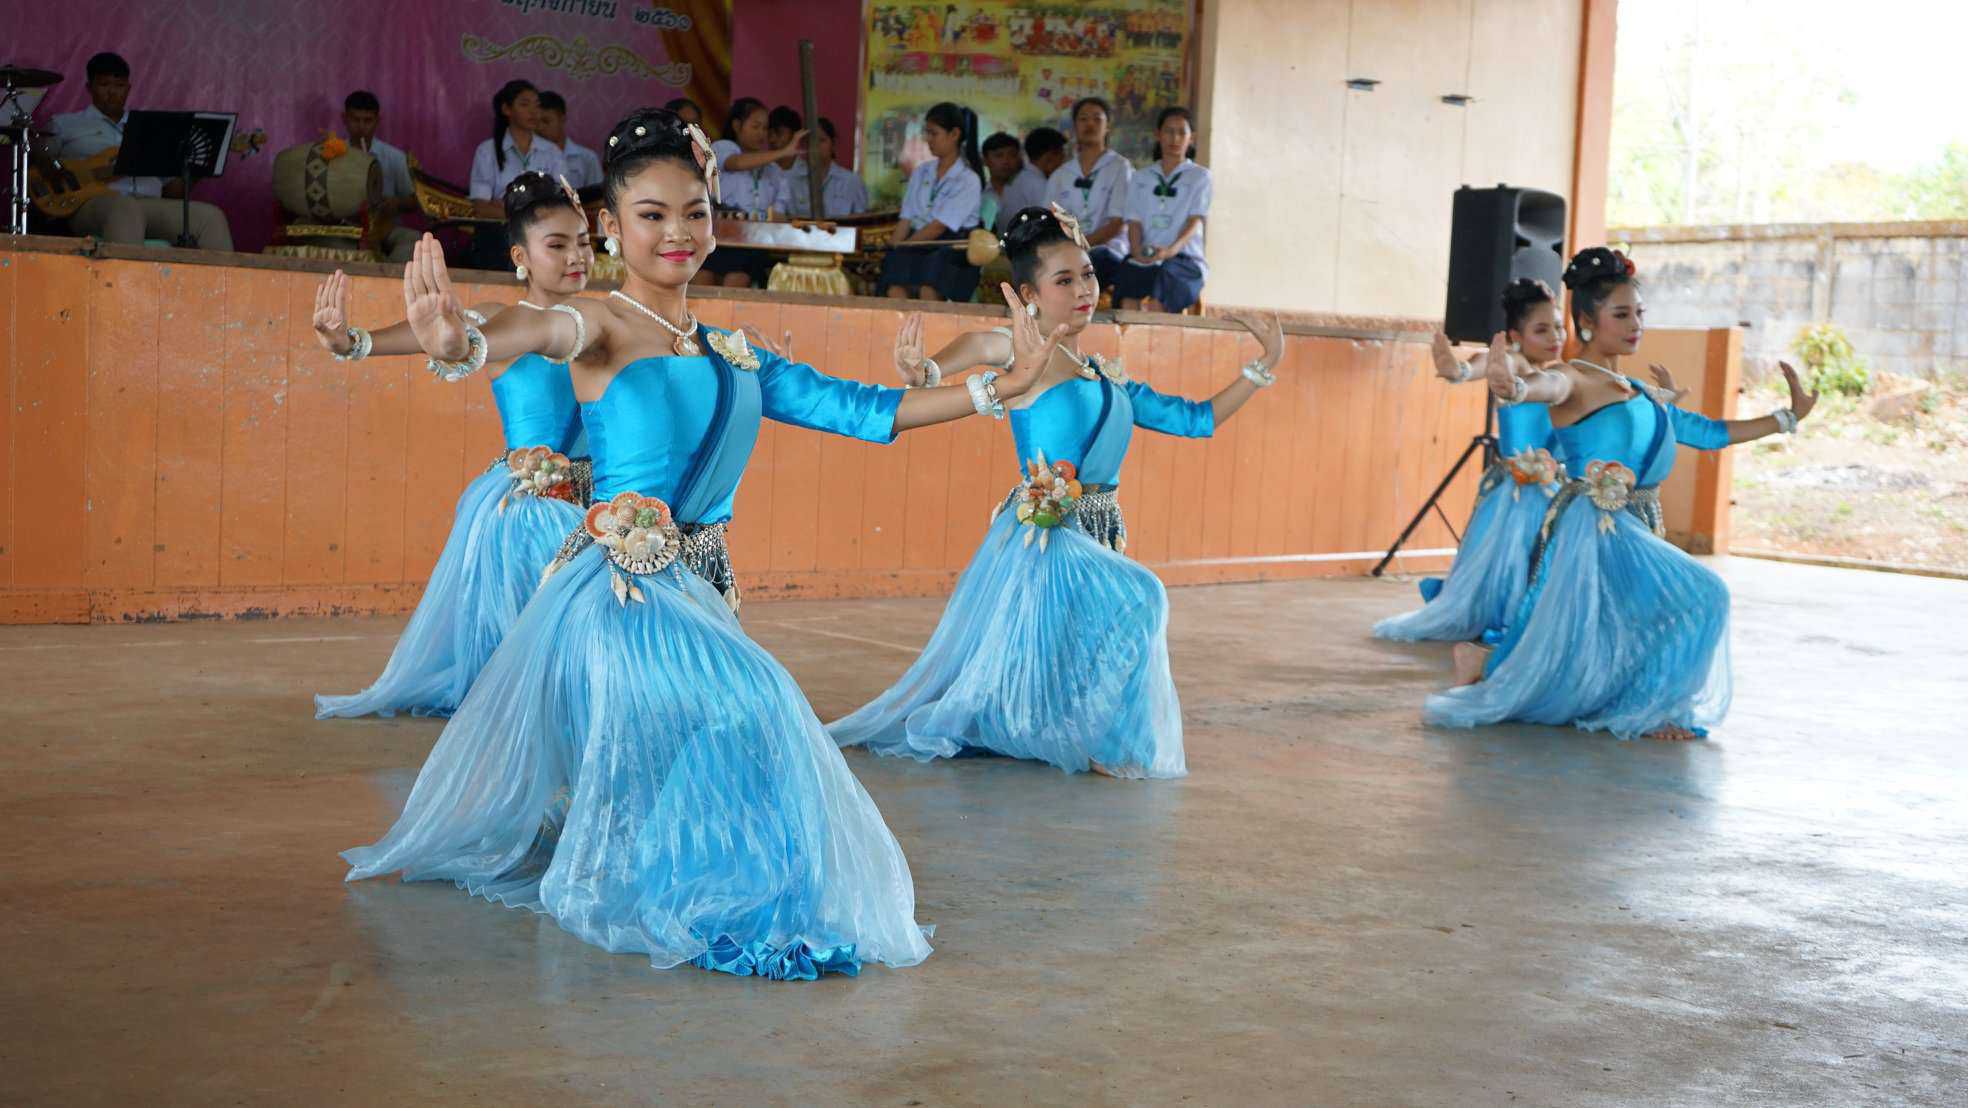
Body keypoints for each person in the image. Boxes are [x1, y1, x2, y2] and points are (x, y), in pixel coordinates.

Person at [344, 108, 1068, 978]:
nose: (677, 232)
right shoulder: (595, 324)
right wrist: (460, 343)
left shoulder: (736, 350)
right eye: (651, 214)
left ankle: (722, 877)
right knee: (760, 702)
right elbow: (531, 331)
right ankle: (701, 893)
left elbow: (865, 409)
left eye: (694, 212)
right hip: (621, 600)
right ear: (610, 226)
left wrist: (1000, 390)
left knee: (729, 732)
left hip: (701, 596)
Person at [833, 204, 1283, 776]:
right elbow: (973, 349)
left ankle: (1085, 737)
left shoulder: (1103, 373)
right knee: (1142, 596)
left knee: (1078, 644)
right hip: (1047, 538)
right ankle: (1092, 742)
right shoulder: (1024, 353)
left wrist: (1264, 365)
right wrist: (921, 371)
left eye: (1087, 275)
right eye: (1064, 280)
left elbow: (1196, 420)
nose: (1083, 290)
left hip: (1096, 533)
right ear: (1029, 295)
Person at [1425, 247, 1820, 742]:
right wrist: (1514, 389)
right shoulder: (1574, 377)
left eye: (1639, 313)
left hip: (1637, 521)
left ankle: (1485, 660)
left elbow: (1708, 432)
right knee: (1704, 595)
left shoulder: (1635, 388)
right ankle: (1650, 709)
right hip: (1598, 526)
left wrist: (1786, 418)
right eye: (1622, 314)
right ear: (1588, 322)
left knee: (1607, 627)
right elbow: (1545, 386)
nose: (1636, 325)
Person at [313, 172, 595, 718]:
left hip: (601, 494)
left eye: (583, 242)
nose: (575, 257)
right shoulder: (500, 319)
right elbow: (450, 338)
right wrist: (352, 341)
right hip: (533, 505)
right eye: (557, 245)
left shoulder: (603, 320)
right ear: (521, 256)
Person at [1373, 279, 1566, 643]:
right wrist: (1459, 371)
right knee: (1512, 563)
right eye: (1542, 330)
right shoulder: (1514, 363)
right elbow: (1487, 364)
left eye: (1558, 326)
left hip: (1555, 489)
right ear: (1515, 336)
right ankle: (1514, 620)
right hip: (1518, 495)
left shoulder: (1562, 374)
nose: (1555, 336)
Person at [47, 52, 234, 251]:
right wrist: (50, 161)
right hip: (92, 204)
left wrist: (198, 166)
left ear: (128, 88)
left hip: (150, 204)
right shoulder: (64, 124)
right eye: (104, 84)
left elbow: (172, 192)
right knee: (126, 208)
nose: (112, 92)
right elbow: (41, 162)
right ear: (89, 87)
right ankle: (124, 273)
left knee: (211, 218)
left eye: (119, 86)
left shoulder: (153, 128)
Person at [878, 101, 984, 302]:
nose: (928, 139)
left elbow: (937, 227)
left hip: (952, 248)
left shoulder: (968, 179)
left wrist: (903, 246)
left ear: (954, 134)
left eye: (934, 133)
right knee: (893, 286)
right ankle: (904, 322)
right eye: (927, 133)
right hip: (917, 242)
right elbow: (906, 219)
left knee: (929, 288)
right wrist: (892, 247)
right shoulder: (921, 172)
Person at [697, 96, 804, 287]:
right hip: (717, 238)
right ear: (737, 126)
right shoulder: (722, 148)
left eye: (765, 128)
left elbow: (779, 212)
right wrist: (783, 152)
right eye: (756, 127)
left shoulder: (774, 170)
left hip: (753, 242)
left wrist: (774, 216)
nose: (761, 134)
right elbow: (736, 163)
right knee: (702, 278)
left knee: (736, 279)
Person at [1116, 107, 1209, 313]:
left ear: (1191, 138)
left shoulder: (1200, 177)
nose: (1175, 138)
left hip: (1184, 259)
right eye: (1169, 131)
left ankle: (1156, 336)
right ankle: (1131, 336)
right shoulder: (1141, 177)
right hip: (1146, 255)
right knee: (1127, 288)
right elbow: (1134, 221)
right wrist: (1136, 250)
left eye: (1181, 132)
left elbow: (1194, 221)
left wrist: (1170, 251)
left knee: (1160, 296)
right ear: (1158, 135)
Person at [467, 79, 567, 269]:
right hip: (499, 237)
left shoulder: (552, 152)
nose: (534, 112)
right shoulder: (487, 151)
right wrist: (532, 213)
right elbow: (481, 207)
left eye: (537, 105)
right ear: (507, 109)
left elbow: (561, 202)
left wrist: (506, 208)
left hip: (542, 236)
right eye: (524, 104)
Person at [1043, 97, 1129, 290]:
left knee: (1093, 261)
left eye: (1097, 119)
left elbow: (1117, 223)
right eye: (1083, 119)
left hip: (1107, 252)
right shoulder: (1061, 174)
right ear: (1074, 126)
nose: (1090, 124)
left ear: (1108, 127)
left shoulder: (1120, 167)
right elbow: (1049, 220)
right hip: (1067, 253)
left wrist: (1081, 245)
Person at [340, 90, 419, 263]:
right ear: (344, 119)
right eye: (355, 119)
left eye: (367, 120)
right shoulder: (335, 155)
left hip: (385, 228)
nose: (361, 126)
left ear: (377, 121)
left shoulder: (394, 157)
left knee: (414, 241)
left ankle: (388, 276)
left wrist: (397, 203)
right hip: (345, 229)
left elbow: (415, 200)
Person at [771, 117, 869, 218]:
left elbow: (861, 221)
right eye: (809, 141)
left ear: (833, 144)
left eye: (821, 140)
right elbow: (779, 217)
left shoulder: (852, 181)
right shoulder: (789, 180)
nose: (815, 146)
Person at [980, 131, 1047, 234]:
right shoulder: (983, 195)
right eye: (999, 156)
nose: (1006, 161)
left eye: (1012, 155)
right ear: (985, 160)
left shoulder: (1033, 184)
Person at [536, 90, 602, 191]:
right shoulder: (531, 157)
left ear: (562, 119)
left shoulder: (586, 158)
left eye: (546, 121)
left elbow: (598, 195)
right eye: (536, 122)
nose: (540, 128)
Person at [766, 105, 804, 174]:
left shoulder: (808, 171)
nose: (772, 139)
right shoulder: (761, 169)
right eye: (769, 134)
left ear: (795, 135)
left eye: (779, 132)